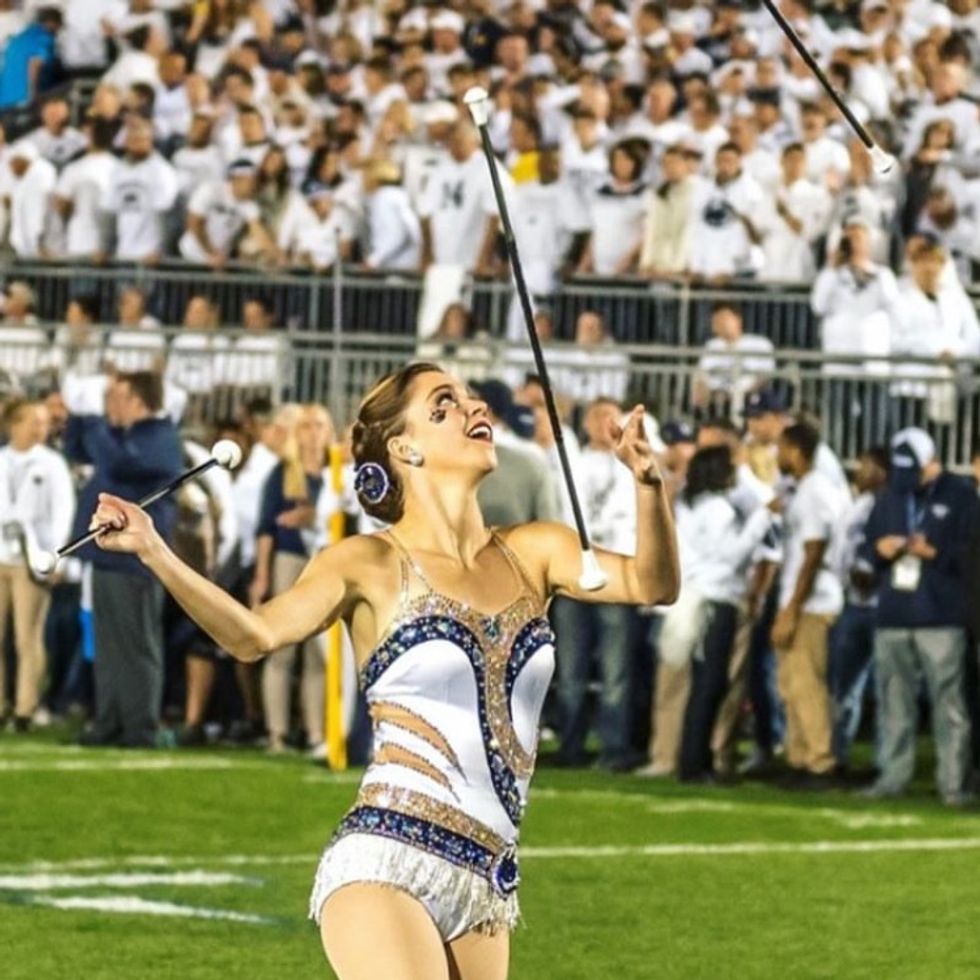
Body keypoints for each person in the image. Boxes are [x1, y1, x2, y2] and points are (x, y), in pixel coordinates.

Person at [86, 362, 678, 976]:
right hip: (385, 861)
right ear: (404, 448)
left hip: (486, 881)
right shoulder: (365, 562)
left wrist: (648, 484)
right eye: (444, 405)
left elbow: (654, 584)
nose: (475, 408)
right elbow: (253, 636)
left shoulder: (536, 550)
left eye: (471, 398)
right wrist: (154, 549)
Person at [860, 429, 978, 806]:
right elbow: (867, 548)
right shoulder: (890, 495)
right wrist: (879, 550)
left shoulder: (961, 495)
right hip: (894, 612)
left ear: (931, 462)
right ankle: (893, 777)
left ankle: (953, 784)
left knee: (949, 705)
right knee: (894, 701)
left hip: (942, 614)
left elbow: (973, 551)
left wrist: (936, 552)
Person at [65, 371, 182, 747]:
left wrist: (94, 422)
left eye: (116, 396)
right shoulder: (122, 436)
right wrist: (79, 415)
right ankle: (110, 721)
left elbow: (118, 464)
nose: (108, 405)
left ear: (137, 400)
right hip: (107, 557)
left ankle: (140, 726)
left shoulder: (160, 436)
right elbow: (76, 450)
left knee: (137, 646)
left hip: (137, 561)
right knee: (109, 646)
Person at [251, 404, 334, 755]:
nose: (313, 433)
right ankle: (277, 732)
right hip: (289, 559)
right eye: (307, 426)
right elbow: (266, 529)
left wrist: (312, 517)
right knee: (282, 647)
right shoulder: (283, 473)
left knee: (319, 653)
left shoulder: (336, 473)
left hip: (325, 562)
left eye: (320, 426)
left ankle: (315, 732)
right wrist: (261, 574)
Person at [771, 421, 848, 786]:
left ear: (796, 451)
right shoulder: (808, 488)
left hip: (812, 603)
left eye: (781, 448)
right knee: (791, 684)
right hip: (803, 600)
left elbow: (814, 552)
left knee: (806, 685)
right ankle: (800, 758)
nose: (777, 455)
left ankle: (820, 761)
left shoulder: (814, 491)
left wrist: (791, 609)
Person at [0, 399, 75, 730]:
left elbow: (62, 511)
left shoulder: (52, 463)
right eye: (33, 421)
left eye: (44, 422)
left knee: (27, 636)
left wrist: (57, 555)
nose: (40, 429)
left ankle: (25, 708)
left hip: (32, 558)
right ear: (13, 424)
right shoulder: (2, 460)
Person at [831, 445, 889, 768]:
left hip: (881, 607)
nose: (859, 472)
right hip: (853, 603)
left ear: (882, 472)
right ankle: (837, 756)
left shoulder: (890, 506)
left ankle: (884, 764)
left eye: (867, 466)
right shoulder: (859, 503)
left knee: (884, 690)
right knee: (844, 686)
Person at [692, 303, 776, 415]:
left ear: (738, 320)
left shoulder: (760, 344)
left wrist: (742, 394)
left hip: (750, 399)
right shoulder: (711, 346)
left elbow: (765, 375)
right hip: (717, 401)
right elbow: (702, 374)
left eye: (724, 319)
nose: (721, 324)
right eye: (716, 321)